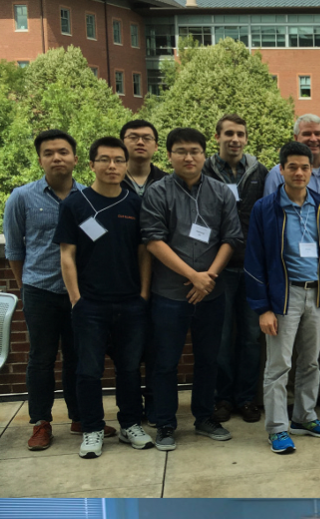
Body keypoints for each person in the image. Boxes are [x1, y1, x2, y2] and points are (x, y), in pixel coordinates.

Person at [141, 127, 243, 451]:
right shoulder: (157, 192)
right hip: (170, 295)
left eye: (195, 151)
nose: (189, 157)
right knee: (165, 362)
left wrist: (208, 277)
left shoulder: (221, 192)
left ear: (204, 154)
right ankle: (165, 423)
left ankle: (204, 417)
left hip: (212, 293)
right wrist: (193, 276)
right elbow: (153, 241)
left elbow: (231, 238)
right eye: (181, 151)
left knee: (208, 359)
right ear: (169, 155)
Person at [56, 135, 152, 458]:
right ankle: (92, 429)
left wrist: (143, 294)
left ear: (126, 165)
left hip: (130, 302)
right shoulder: (75, 204)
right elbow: (66, 254)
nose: (112, 166)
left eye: (118, 160)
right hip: (90, 304)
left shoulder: (135, 204)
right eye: (105, 160)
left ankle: (130, 425)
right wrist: (76, 299)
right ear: (91, 164)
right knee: (88, 370)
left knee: (129, 368)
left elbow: (143, 253)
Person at [4, 130, 98, 452]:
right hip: (39, 291)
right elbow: (14, 250)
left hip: (79, 293)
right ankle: (41, 422)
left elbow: (97, 241)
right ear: (40, 159)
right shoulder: (21, 197)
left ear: (75, 158)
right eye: (49, 153)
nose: (57, 158)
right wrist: (26, 286)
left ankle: (80, 417)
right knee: (41, 359)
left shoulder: (89, 197)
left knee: (77, 357)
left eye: (63, 152)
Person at [244, 140, 320, 453]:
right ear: (281, 169)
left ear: (311, 170)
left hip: (317, 296)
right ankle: (277, 428)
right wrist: (263, 308)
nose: (299, 172)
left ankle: (304, 417)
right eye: (293, 167)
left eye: (304, 167)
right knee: (278, 365)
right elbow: (254, 260)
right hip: (283, 298)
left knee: (311, 362)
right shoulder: (265, 209)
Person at [205, 113, 268, 425]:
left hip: (253, 268)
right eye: (229, 133)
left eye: (240, 134)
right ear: (217, 136)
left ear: (246, 138)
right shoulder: (204, 171)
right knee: (221, 338)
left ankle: (246, 398)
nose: (235, 139)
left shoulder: (260, 172)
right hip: (217, 269)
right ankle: (222, 398)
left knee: (251, 337)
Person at [262, 113, 320, 198]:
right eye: (307, 134)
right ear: (296, 138)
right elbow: (269, 205)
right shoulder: (278, 175)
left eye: (318, 134)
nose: (313, 139)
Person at [120, 119, 168, 197]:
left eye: (147, 138)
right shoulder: (110, 180)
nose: (140, 142)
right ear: (121, 144)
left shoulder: (167, 182)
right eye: (133, 137)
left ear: (156, 146)